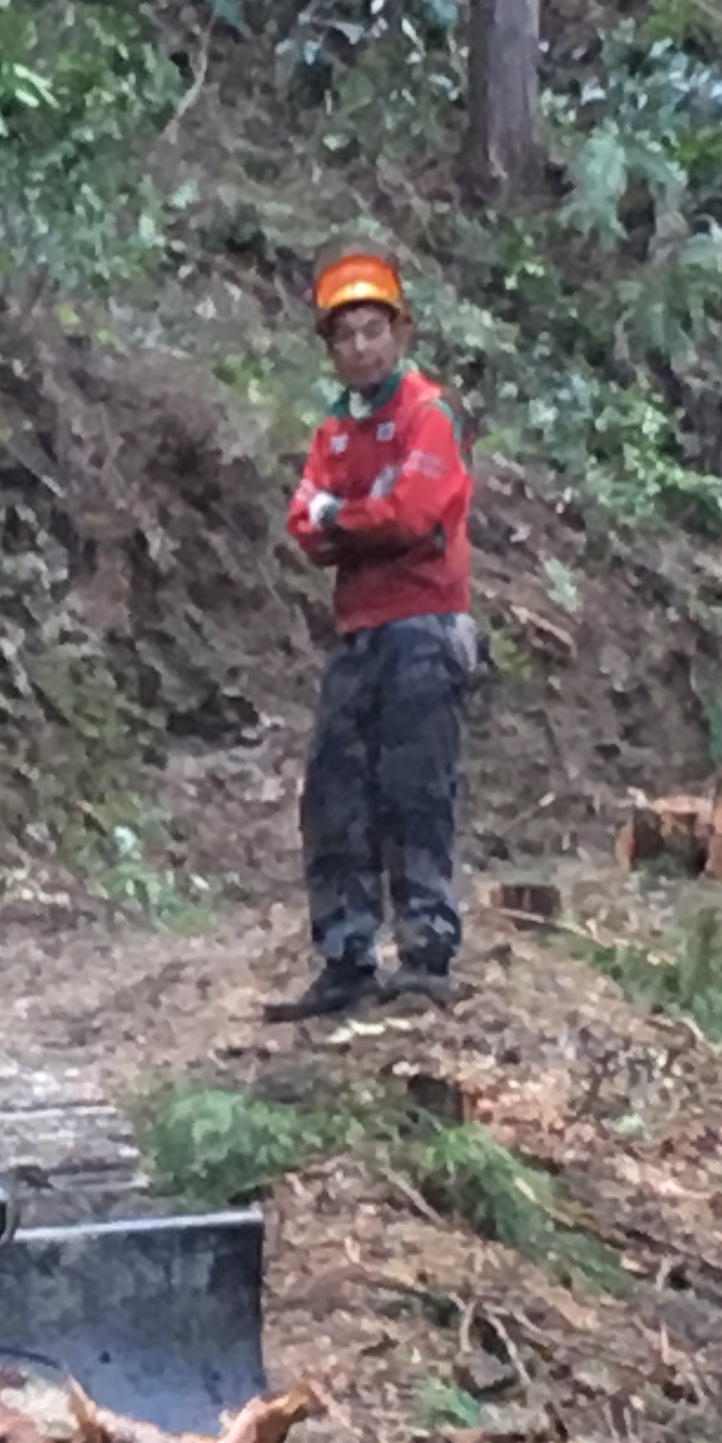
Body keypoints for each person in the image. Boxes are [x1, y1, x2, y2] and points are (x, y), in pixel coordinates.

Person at [265, 242, 476, 1020]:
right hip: (360, 630)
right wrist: (356, 525)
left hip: (424, 626)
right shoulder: (335, 433)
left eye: (372, 330)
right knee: (335, 794)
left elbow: (412, 517)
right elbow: (302, 525)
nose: (360, 346)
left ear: (400, 333)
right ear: (330, 347)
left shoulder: (427, 416)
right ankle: (345, 956)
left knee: (416, 791)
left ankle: (426, 953)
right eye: (345, 334)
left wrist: (343, 521)